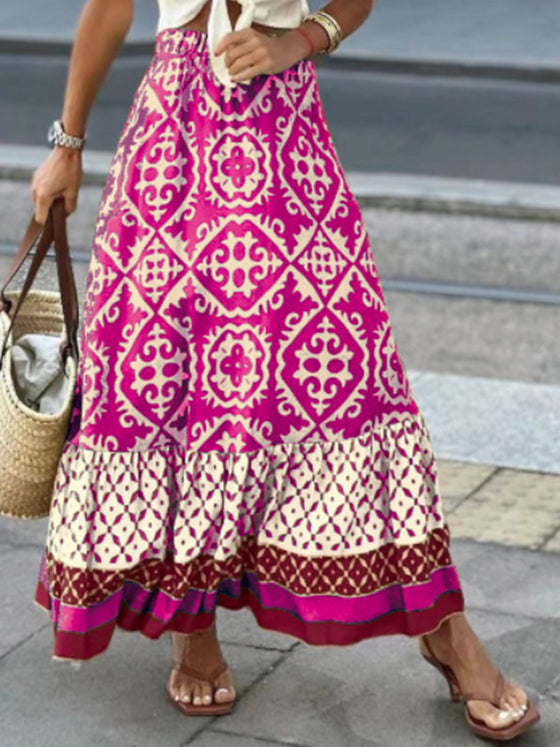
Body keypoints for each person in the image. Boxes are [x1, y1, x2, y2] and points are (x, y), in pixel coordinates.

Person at [30, 0, 540, 739]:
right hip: (172, 141)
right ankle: (191, 619)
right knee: (169, 381)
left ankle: (442, 625)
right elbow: (110, 7)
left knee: (354, 379)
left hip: (284, 140)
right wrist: (67, 145)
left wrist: (301, 39)